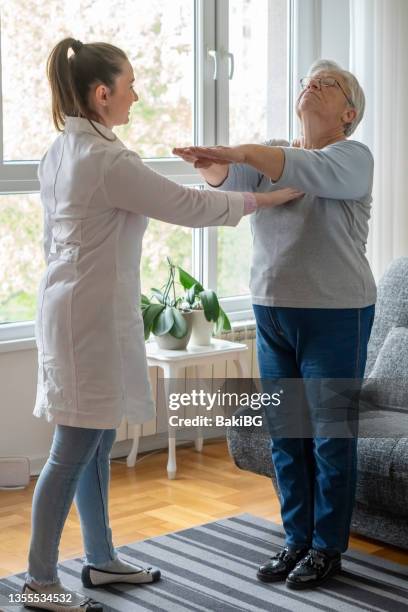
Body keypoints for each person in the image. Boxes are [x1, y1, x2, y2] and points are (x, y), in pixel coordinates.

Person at [22, 37, 302, 611]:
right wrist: (263, 202)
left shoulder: (66, 150)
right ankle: (40, 582)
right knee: (72, 448)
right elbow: (187, 206)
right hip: (85, 318)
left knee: (96, 442)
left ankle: (99, 561)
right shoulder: (104, 159)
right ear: (103, 95)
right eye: (129, 86)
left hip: (78, 309)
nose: (136, 96)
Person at [173, 59, 376, 590]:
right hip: (272, 311)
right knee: (286, 432)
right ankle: (296, 541)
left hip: (337, 313)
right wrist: (209, 163)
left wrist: (236, 151)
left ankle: (327, 548)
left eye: (325, 83)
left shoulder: (352, 157)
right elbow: (229, 180)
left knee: (330, 435)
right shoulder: (273, 152)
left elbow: (289, 167)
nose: (309, 85)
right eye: (306, 80)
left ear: (348, 112)